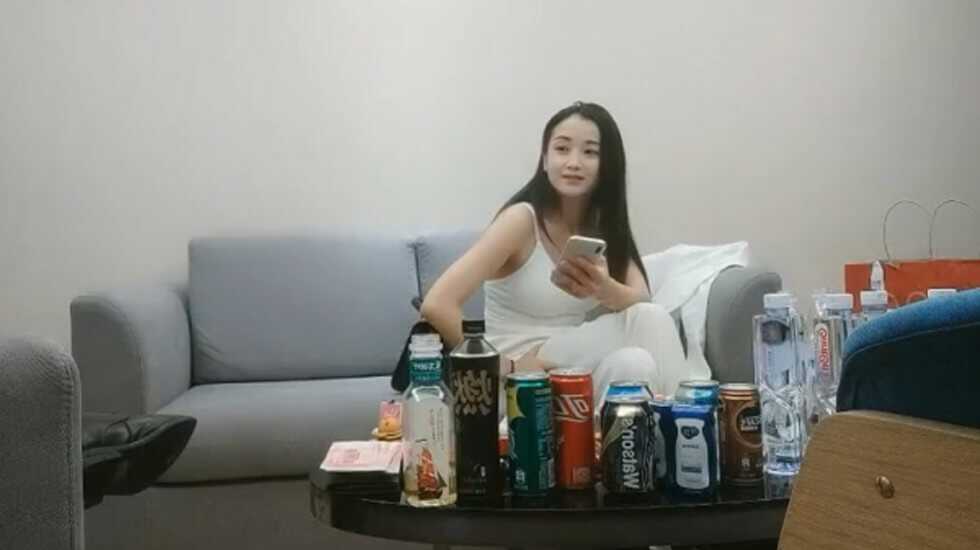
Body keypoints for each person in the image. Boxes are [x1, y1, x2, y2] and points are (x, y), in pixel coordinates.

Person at [420, 101, 710, 402]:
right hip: (518, 381)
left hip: (572, 375)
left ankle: (645, 431)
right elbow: (437, 304)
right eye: (562, 149)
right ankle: (691, 418)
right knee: (650, 319)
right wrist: (505, 365)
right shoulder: (521, 221)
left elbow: (641, 299)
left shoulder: (602, 227)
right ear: (545, 160)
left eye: (590, 152)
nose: (574, 162)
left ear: (607, 165)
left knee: (636, 363)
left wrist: (604, 289)